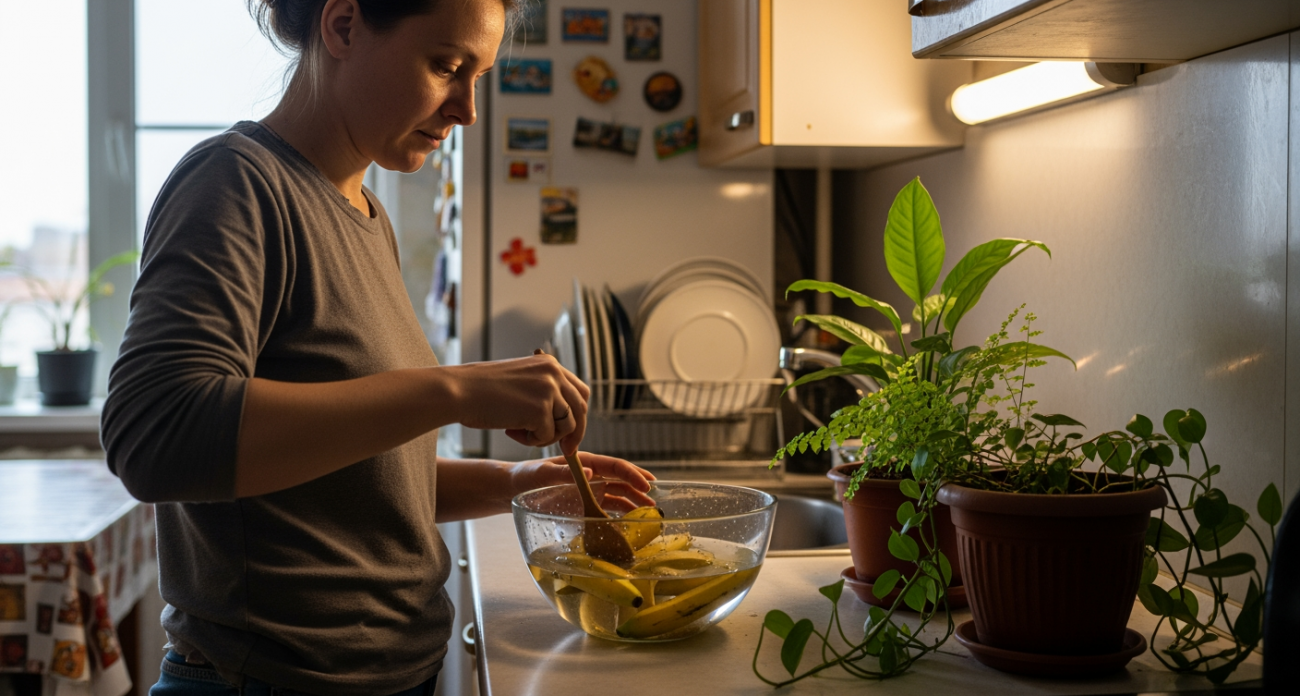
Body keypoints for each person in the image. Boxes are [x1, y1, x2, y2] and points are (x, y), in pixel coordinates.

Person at [99, 1, 654, 694]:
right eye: (447, 66)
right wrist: (453, 390)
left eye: (476, 75)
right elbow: (157, 439)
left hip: (395, 674)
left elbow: (353, 475)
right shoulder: (236, 183)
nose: (467, 110)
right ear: (343, 25)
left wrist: (510, 485)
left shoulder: (368, 216)